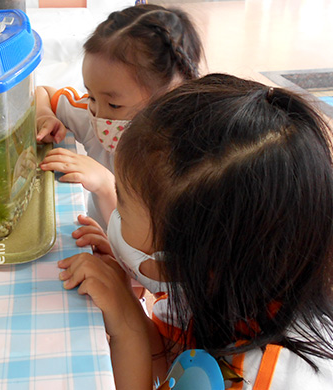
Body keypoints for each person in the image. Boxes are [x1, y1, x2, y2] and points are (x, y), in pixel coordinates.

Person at [57, 74, 333, 389]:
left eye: (121, 203)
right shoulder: (219, 288)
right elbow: (175, 364)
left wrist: (128, 328)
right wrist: (127, 299)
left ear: (194, 261)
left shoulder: (264, 378)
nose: (114, 216)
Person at [36, 3, 203, 230]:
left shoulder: (182, 161)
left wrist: (105, 185)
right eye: (91, 95)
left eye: (114, 104)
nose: (98, 115)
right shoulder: (92, 114)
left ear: (168, 100)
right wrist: (45, 115)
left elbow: (143, 248)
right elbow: (43, 93)